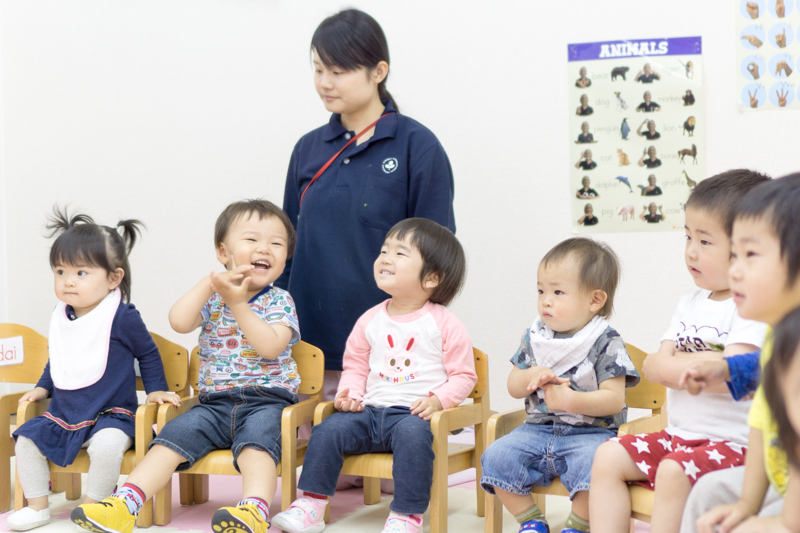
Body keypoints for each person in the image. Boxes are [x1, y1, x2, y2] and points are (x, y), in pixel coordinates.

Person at [71, 200, 300, 533]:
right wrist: (210, 284)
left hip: (268, 401)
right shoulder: (213, 297)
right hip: (214, 404)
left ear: (286, 256)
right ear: (223, 252)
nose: (264, 248)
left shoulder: (280, 300)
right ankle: (124, 505)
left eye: (276, 243)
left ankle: (254, 510)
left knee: (257, 445)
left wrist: (238, 303)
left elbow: (270, 347)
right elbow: (178, 322)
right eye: (252, 239)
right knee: (170, 438)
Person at [277, 9, 455, 399]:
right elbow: (284, 249)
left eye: (338, 71)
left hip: (390, 354)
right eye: (318, 69)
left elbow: (437, 258)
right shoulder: (307, 149)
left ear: (378, 71)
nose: (325, 82)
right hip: (308, 349)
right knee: (306, 439)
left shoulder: (417, 147)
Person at [589, 170, 770, 533]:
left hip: (733, 446)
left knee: (673, 470)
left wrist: (680, 364)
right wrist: (689, 365)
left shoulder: (751, 307)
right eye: (688, 237)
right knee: (607, 454)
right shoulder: (689, 304)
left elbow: (728, 375)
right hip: (680, 436)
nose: (691, 251)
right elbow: (653, 367)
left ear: (747, 248)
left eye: (705, 241)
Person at [272, 218, 477, 533]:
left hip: (413, 416)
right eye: (384, 250)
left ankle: (406, 516)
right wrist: (351, 394)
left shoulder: (444, 323)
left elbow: (464, 376)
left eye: (400, 253)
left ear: (432, 277)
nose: (385, 258)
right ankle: (311, 506)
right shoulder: (370, 319)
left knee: (413, 439)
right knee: (326, 431)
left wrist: (438, 400)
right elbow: (355, 366)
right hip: (369, 412)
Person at [7, 208, 176, 532]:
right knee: (25, 439)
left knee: (107, 447)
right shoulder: (62, 316)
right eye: (60, 271)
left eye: (81, 272)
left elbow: (148, 353)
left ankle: (94, 507)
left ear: (113, 278)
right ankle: (37, 506)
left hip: (112, 415)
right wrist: (43, 386)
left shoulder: (122, 316)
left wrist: (155, 389)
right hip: (64, 413)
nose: (68, 281)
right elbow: (60, 357)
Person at [480, 238, 640, 533]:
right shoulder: (535, 337)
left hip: (591, 433)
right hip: (536, 430)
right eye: (541, 291)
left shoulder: (606, 340)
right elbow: (513, 387)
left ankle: (577, 525)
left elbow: (614, 399)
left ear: (594, 300)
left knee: (601, 465)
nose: (545, 300)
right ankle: (531, 520)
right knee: (495, 456)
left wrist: (571, 401)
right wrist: (531, 375)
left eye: (557, 292)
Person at [677, 173, 800, 533]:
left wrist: (775, 522)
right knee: (708, 493)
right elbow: (761, 421)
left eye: (750, 255)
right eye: (733, 255)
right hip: (783, 481)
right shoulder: (778, 338)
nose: (735, 270)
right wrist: (747, 503)